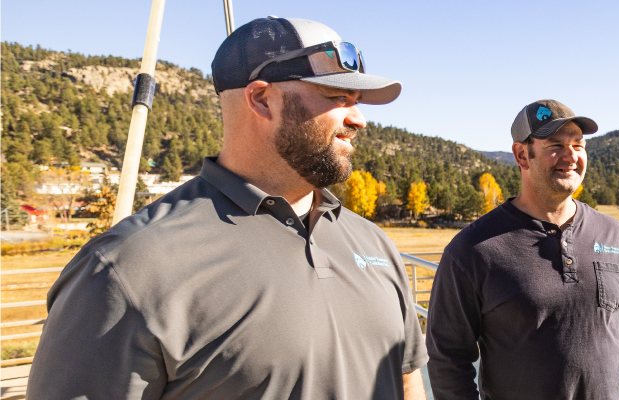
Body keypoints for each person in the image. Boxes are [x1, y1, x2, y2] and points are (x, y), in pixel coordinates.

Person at [28, 17, 427, 399]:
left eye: (356, 101)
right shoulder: (127, 268)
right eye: (338, 97)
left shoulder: (374, 243)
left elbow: (407, 379)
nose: (359, 119)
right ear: (262, 100)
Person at [425, 100, 619, 399]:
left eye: (578, 145)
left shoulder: (615, 236)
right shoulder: (473, 249)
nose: (571, 156)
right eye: (556, 145)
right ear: (522, 155)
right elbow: (448, 359)